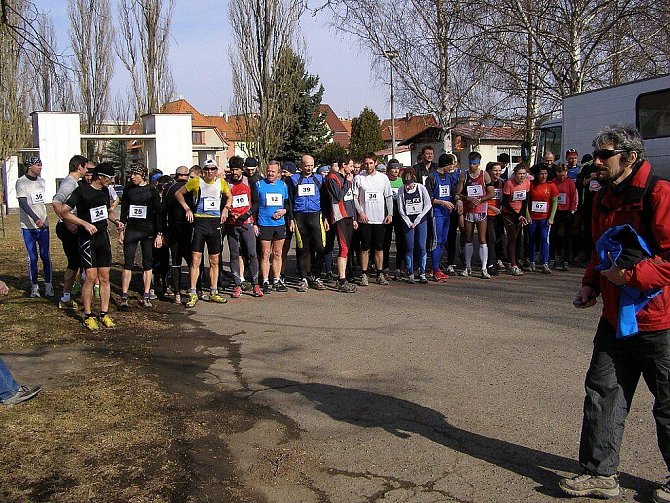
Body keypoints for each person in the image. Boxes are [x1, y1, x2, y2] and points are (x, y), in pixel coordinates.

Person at [559, 125, 670, 503]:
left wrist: (631, 276)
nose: (597, 162)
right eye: (596, 154)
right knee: (603, 392)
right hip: (614, 318)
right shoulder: (605, 197)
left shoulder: (659, 193)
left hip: (658, 321)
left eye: (605, 154)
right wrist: (590, 283)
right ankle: (600, 474)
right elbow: (599, 249)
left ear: (630, 157)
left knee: (668, 402)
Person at [60, 162, 124, 330]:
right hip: (87, 239)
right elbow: (65, 212)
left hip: (102, 238)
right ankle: (88, 315)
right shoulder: (81, 190)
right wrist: (84, 224)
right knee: (90, 277)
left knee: (105, 277)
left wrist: (116, 221)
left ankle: (104, 313)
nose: (112, 181)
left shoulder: (105, 192)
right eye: (110, 178)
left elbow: (107, 210)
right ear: (101, 176)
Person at [175, 159, 231, 308]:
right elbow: (178, 194)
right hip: (200, 223)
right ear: (203, 170)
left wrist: (226, 208)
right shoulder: (196, 182)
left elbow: (229, 196)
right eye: (207, 169)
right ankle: (193, 293)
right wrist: (187, 208)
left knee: (214, 261)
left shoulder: (221, 183)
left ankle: (214, 291)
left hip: (214, 224)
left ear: (216, 171)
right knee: (195, 260)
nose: (210, 172)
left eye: (212, 169)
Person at [118, 165, 162, 309]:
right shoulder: (128, 190)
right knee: (128, 262)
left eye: (134, 175)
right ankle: (124, 296)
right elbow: (124, 211)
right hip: (131, 230)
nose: (131, 177)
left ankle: (147, 294)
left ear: (142, 175)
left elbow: (158, 214)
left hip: (148, 231)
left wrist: (159, 234)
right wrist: (121, 230)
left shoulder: (151, 190)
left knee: (147, 263)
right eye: (130, 175)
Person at [52, 155, 89, 309]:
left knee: (80, 262)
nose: (87, 171)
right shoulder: (69, 183)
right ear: (79, 167)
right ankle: (65, 297)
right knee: (74, 262)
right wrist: (68, 223)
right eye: (86, 167)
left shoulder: (75, 183)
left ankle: (76, 290)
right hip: (67, 228)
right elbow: (56, 202)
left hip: (74, 226)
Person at [288, 155, 328, 292]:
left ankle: (316, 276)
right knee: (303, 249)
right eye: (306, 165)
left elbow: (324, 200)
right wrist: (291, 219)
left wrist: (326, 217)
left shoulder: (319, 179)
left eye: (311, 165)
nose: (309, 168)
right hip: (300, 216)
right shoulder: (293, 179)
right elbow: (290, 201)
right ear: (301, 165)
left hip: (316, 215)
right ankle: (304, 278)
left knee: (321, 247)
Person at [225, 156, 263, 298]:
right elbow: (224, 203)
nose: (235, 172)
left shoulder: (250, 181)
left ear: (242, 169)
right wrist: (230, 213)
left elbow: (257, 203)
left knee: (252, 254)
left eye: (237, 169)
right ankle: (237, 285)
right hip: (231, 224)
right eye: (232, 169)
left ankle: (256, 285)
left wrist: (246, 215)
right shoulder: (226, 183)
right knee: (235, 255)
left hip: (246, 223)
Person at [353, 152, 393, 286]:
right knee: (364, 247)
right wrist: (360, 212)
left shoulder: (383, 178)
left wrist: (390, 213)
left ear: (375, 163)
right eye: (366, 163)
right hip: (365, 219)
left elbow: (388, 197)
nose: (368, 166)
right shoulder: (359, 178)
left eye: (371, 163)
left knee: (379, 248)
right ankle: (364, 274)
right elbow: (354, 197)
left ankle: (379, 273)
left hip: (380, 219)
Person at [16, 157, 53, 298]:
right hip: (28, 226)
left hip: (44, 225)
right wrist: (35, 218)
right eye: (38, 165)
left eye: (41, 165)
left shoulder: (41, 181)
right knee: (32, 257)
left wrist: (41, 219)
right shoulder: (21, 182)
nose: (40, 168)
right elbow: (23, 203)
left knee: (45, 255)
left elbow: (41, 202)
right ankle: (34, 286)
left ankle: (48, 285)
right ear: (30, 166)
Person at [254, 160, 292, 294]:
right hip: (264, 224)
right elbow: (255, 205)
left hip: (279, 224)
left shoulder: (283, 186)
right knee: (265, 254)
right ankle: (264, 280)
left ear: (279, 173)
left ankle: (276, 279)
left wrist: (284, 211)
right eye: (268, 171)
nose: (270, 173)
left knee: (278, 253)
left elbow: (287, 204)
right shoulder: (259, 184)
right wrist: (255, 223)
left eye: (273, 172)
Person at [456, 151, 494, 278]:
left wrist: (481, 199)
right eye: (471, 163)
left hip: (481, 210)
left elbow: (491, 193)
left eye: (475, 164)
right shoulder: (464, 175)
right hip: (469, 211)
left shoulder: (485, 175)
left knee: (482, 239)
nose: (473, 166)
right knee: (468, 237)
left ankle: (484, 269)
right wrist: (467, 198)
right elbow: (458, 193)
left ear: (479, 163)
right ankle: (468, 267)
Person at [325, 155, 358, 293]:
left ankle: (343, 278)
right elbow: (339, 196)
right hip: (340, 216)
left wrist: (355, 217)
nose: (352, 168)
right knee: (343, 248)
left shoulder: (346, 179)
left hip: (349, 216)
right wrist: (348, 183)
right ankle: (341, 280)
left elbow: (350, 199)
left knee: (347, 248)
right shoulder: (333, 177)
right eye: (350, 165)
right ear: (343, 165)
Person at [161, 166, 192, 305]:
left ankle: (177, 293)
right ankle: (195, 290)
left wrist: (162, 232)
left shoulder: (168, 189)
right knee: (193, 262)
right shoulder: (190, 187)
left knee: (175, 262)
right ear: (186, 175)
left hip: (172, 229)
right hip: (188, 228)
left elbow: (163, 212)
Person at [425, 153, 459, 281]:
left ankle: (436, 267)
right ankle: (434, 269)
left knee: (443, 241)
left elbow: (454, 192)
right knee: (436, 241)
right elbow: (428, 198)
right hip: (436, 214)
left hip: (447, 214)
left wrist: (458, 200)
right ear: (445, 164)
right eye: (450, 164)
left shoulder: (449, 178)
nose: (452, 167)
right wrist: (443, 202)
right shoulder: (432, 177)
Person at [397, 169, 432, 284]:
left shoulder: (421, 188)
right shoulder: (401, 190)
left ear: (414, 180)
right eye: (406, 185)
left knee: (421, 246)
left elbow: (428, 205)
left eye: (410, 184)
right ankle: (410, 272)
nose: (408, 187)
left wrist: (418, 219)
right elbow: (400, 208)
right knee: (409, 246)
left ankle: (422, 272)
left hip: (421, 220)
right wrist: (408, 222)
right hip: (408, 221)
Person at [525, 166, 558, 273]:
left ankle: (545, 263)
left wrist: (551, 217)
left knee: (544, 239)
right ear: (537, 175)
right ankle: (532, 262)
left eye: (545, 173)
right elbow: (526, 202)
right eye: (541, 174)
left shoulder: (551, 185)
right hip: (533, 218)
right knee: (532, 239)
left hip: (545, 218)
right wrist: (528, 215)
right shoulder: (532, 185)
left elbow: (554, 202)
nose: (543, 176)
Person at [502, 163, 530, 276]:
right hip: (508, 213)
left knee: (517, 238)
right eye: (519, 174)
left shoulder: (527, 182)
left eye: (524, 174)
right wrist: (517, 215)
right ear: (515, 174)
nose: (522, 176)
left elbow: (525, 200)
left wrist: (522, 214)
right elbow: (505, 202)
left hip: (519, 212)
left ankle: (513, 260)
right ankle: (513, 264)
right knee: (512, 237)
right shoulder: (509, 183)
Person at [550, 163, 578, 270]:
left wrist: (572, 210)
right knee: (553, 235)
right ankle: (553, 258)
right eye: (560, 175)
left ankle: (566, 260)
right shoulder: (553, 182)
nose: (562, 177)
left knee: (568, 236)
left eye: (564, 175)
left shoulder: (570, 182)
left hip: (567, 211)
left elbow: (573, 197)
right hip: (556, 211)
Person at [383, 159, 406, 280]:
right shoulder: (384, 181)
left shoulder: (401, 181)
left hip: (399, 215)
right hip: (387, 214)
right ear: (388, 170)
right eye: (393, 168)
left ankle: (398, 267)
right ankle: (385, 267)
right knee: (386, 242)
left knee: (400, 242)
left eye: (398, 168)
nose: (396, 170)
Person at [485, 161, 506, 275]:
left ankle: (498, 260)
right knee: (491, 239)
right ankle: (490, 264)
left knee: (499, 238)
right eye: (495, 170)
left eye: (499, 170)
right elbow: (481, 200)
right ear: (489, 171)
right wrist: (491, 208)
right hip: (488, 214)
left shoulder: (502, 183)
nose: (498, 173)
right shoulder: (485, 184)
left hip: (499, 215)